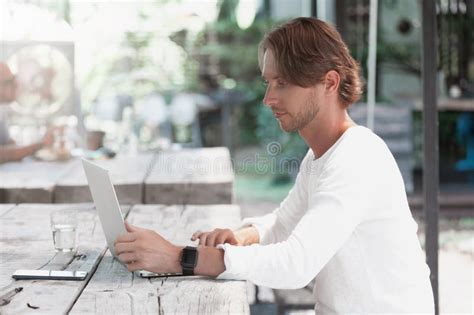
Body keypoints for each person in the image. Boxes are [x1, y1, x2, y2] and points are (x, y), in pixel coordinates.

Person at [115, 17, 434, 313]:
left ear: (329, 82)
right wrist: (241, 237)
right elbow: (282, 224)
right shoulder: (321, 156)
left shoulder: (357, 158)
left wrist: (177, 257)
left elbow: (297, 263)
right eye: (269, 82)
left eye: (282, 83)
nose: (268, 98)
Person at [0, 62, 54, 163]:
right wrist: (41, 144)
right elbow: (2, 155)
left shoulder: (2, 110)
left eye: (14, 78)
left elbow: (9, 145)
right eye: (9, 81)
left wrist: (38, 145)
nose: (15, 84)